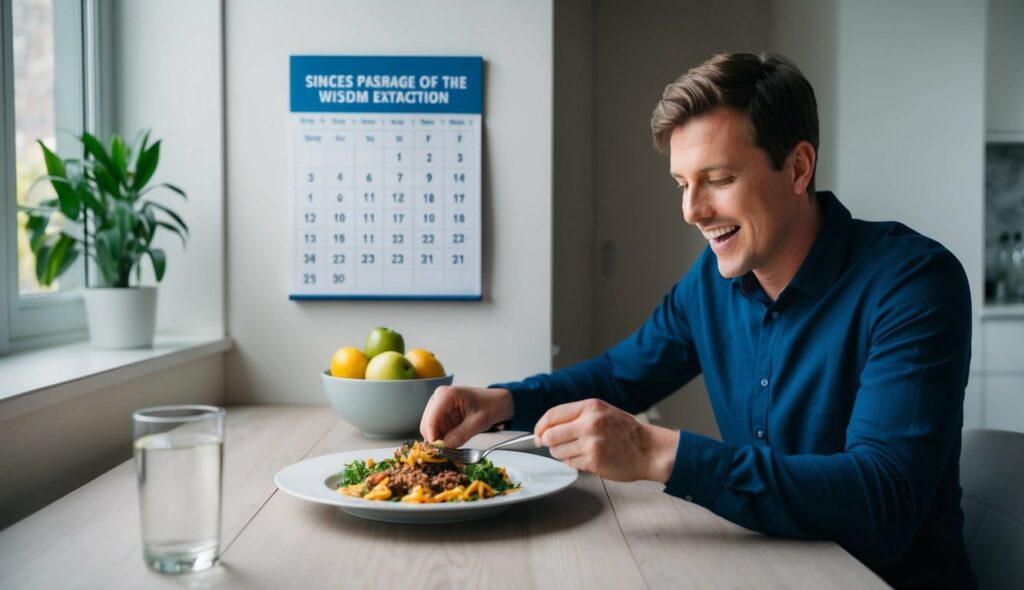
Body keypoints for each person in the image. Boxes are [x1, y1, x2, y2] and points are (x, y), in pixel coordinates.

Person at [420, 53, 975, 589]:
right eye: (683, 184)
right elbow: (619, 376)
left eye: (718, 178)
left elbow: (882, 502)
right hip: (766, 568)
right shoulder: (712, 282)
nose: (692, 211)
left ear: (798, 167)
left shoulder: (914, 284)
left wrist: (655, 452)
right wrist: (504, 401)